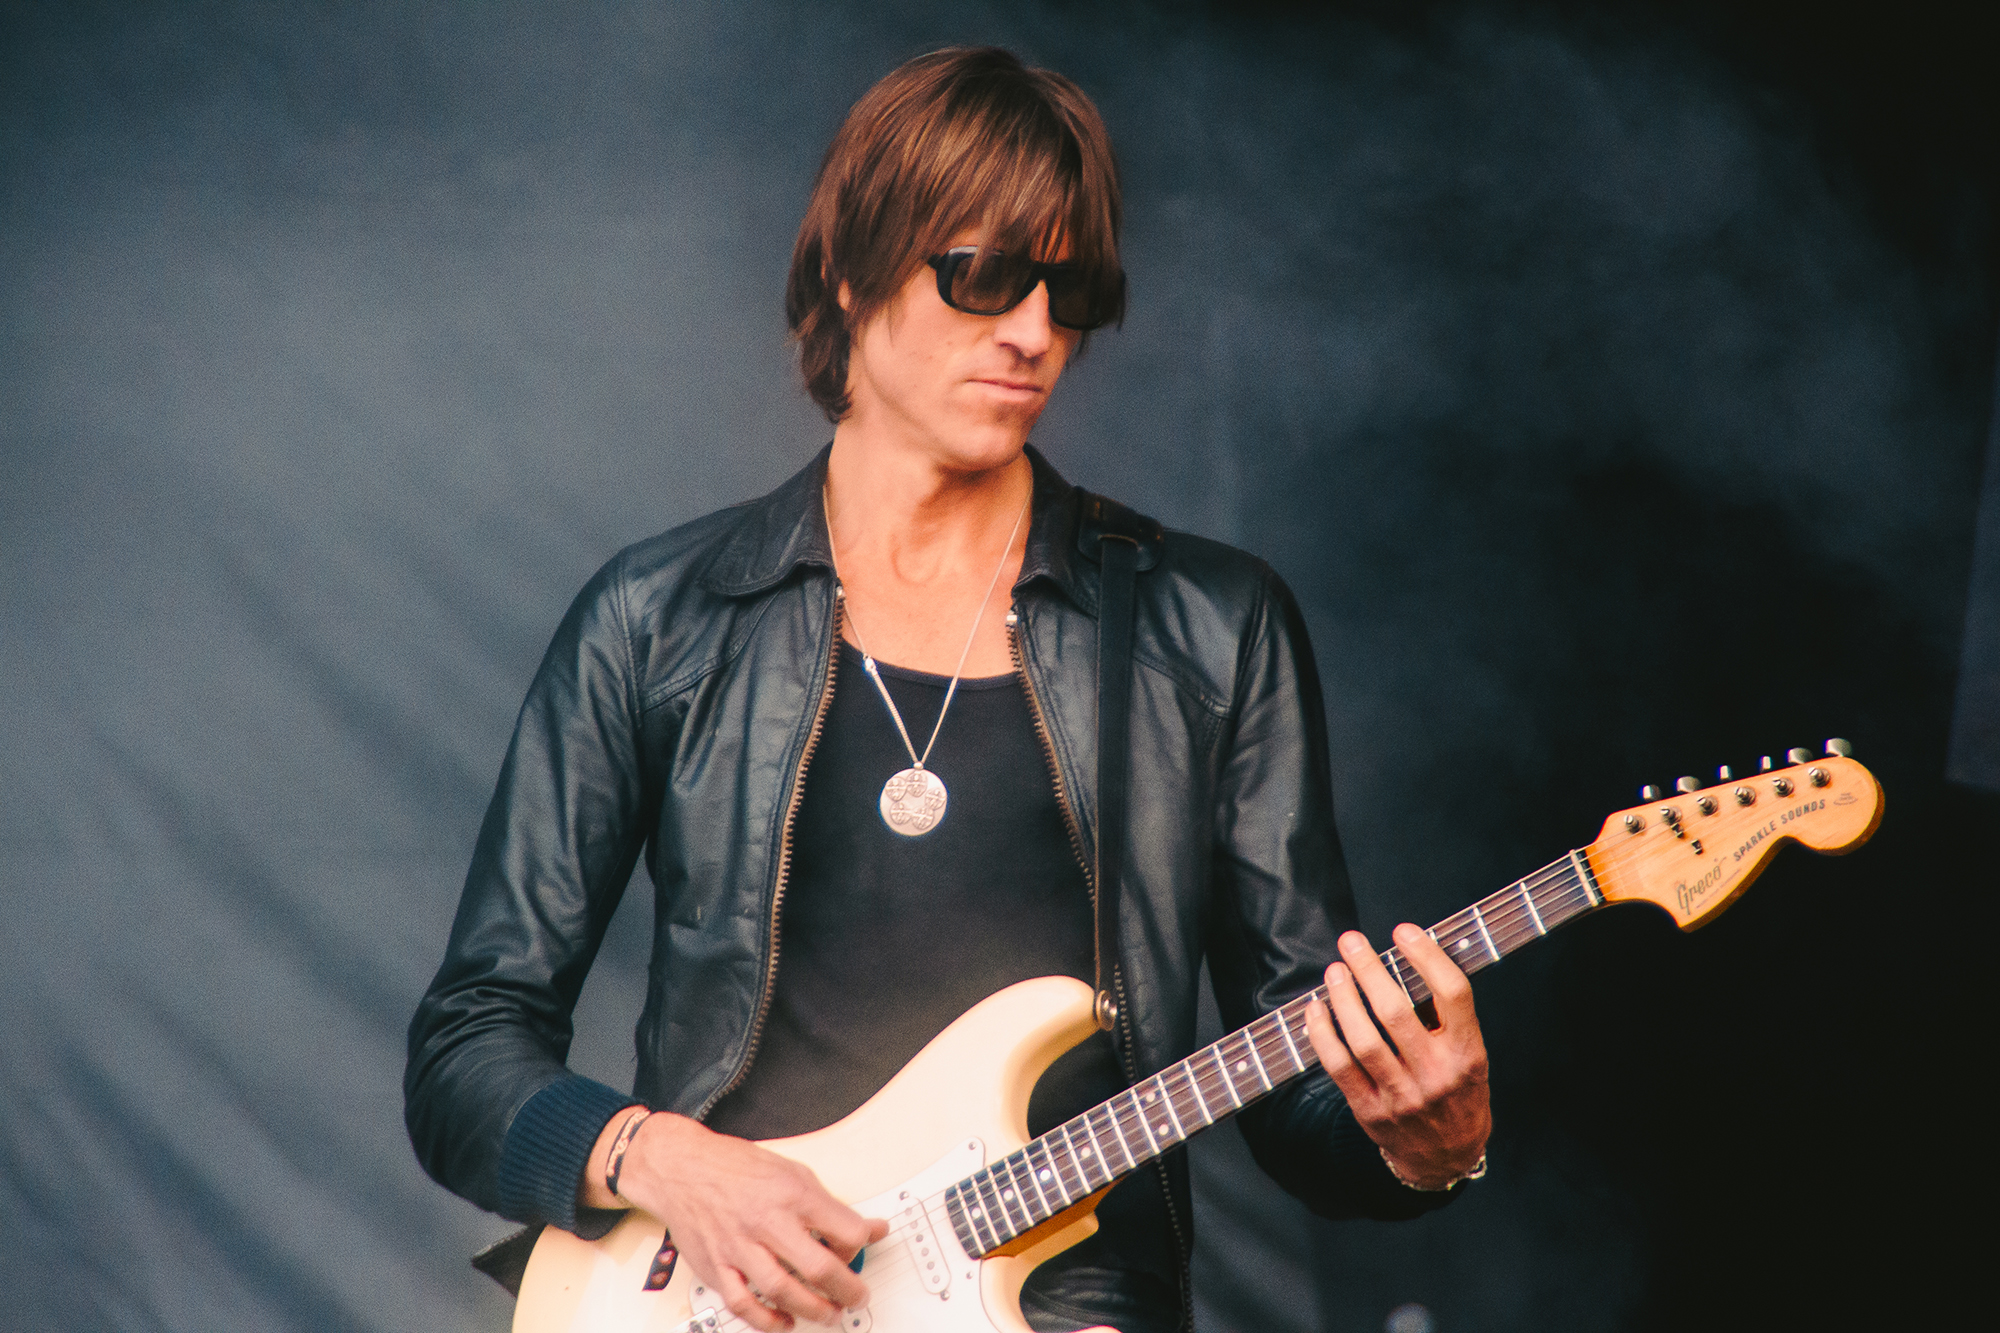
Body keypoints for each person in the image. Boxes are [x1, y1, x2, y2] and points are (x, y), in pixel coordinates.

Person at [405, 46, 1491, 1333]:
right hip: (723, 1301)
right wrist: (666, 1159)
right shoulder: (658, 619)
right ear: (851, 268)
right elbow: (465, 1049)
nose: (1032, 333)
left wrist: (1428, 1140)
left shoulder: (1208, 627)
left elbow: (1300, 1078)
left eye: (1067, 292)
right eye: (981, 277)